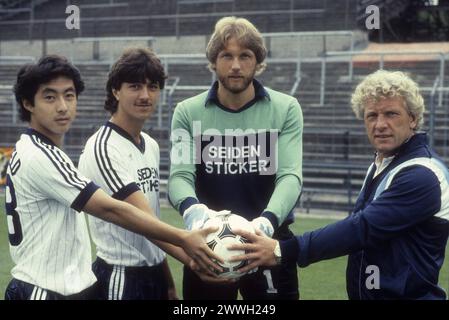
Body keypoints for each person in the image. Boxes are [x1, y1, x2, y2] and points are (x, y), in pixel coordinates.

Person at [3, 54, 222, 300]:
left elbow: (148, 217)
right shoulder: (47, 155)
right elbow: (112, 210)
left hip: (61, 285)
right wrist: (186, 243)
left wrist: (167, 279)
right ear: (27, 104)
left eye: (69, 95)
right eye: (50, 97)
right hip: (54, 288)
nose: (63, 106)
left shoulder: (35, 149)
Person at [230, 70, 449, 300]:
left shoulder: (422, 175)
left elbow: (362, 228)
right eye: (372, 115)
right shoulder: (383, 163)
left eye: (391, 114)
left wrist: (282, 250)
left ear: (413, 118)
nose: (380, 124)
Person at [168, 16, 303, 300]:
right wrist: (195, 215)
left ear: (258, 61)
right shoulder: (186, 112)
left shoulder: (286, 108)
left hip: (268, 244)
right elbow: (179, 177)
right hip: (208, 246)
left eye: (245, 55)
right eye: (226, 56)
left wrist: (265, 224)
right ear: (213, 61)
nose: (236, 65)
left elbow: (290, 176)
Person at [78, 47, 228, 300]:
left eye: (153, 86)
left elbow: (153, 221)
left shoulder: (150, 144)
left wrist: (167, 281)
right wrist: (195, 260)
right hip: (122, 277)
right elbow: (139, 219)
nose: (145, 95)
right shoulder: (103, 147)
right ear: (116, 90)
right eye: (135, 87)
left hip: (154, 273)